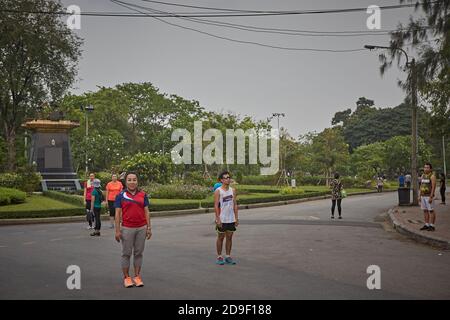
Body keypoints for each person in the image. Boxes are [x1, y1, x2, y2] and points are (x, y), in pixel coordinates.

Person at [115, 172, 152, 288]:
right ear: (126, 182)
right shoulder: (120, 195)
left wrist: (149, 227)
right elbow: (117, 214)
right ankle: (127, 278)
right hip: (127, 228)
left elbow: (146, 211)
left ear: (137, 181)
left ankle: (137, 276)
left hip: (141, 228)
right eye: (129, 180)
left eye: (134, 179)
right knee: (126, 254)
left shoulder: (143, 195)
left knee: (138, 253)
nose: (132, 182)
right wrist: (117, 230)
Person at [214, 171, 238, 265]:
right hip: (222, 218)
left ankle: (228, 256)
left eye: (229, 177)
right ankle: (219, 257)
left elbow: (235, 205)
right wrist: (218, 219)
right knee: (220, 237)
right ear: (221, 180)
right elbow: (216, 206)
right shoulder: (218, 191)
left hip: (231, 218)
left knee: (229, 237)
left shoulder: (233, 190)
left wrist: (236, 218)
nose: (228, 179)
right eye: (225, 178)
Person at [419, 162, 437, 231]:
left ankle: (432, 225)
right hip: (423, 196)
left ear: (430, 169)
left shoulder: (432, 176)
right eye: (425, 167)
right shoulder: (423, 175)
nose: (426, 169)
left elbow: (433, 187)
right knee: (425, 210)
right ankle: (426, 224)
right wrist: (419, 196)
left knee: (431, 210)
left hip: (428, 196)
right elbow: (421, 186)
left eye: (427, 167)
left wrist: (431, 197)